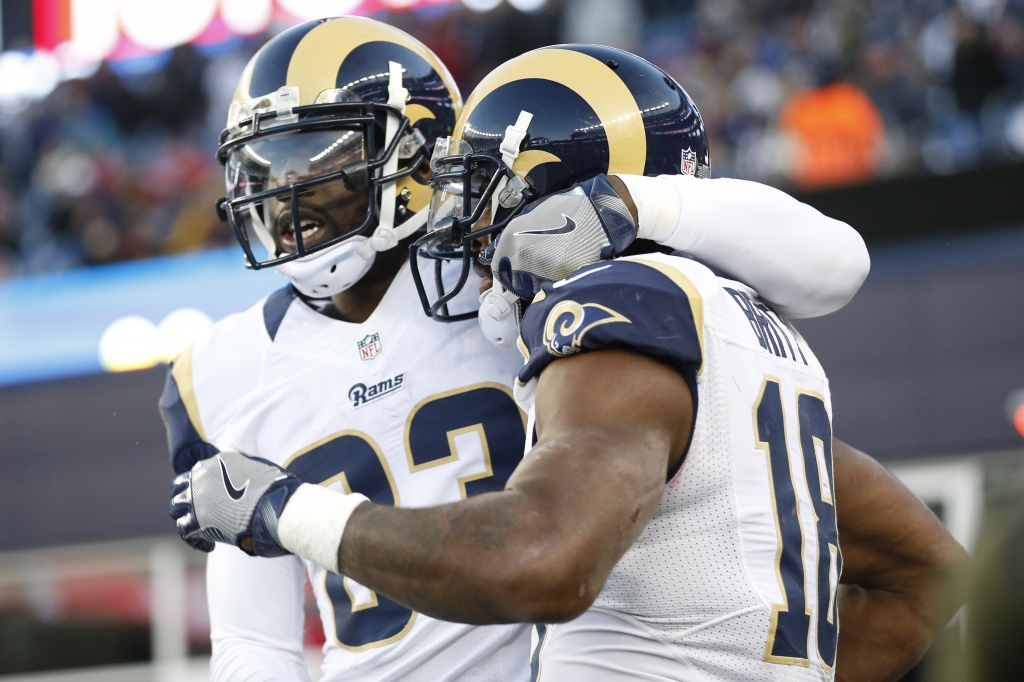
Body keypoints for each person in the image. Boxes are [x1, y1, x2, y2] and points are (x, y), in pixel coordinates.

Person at [165, 39, 889, 681]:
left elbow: (834, 261)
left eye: (318, 158)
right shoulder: (219, 369)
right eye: (264, 165)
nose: (289, 190)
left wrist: (630, 202)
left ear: (418, 154)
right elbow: (252, 639)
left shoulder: (516, 273)